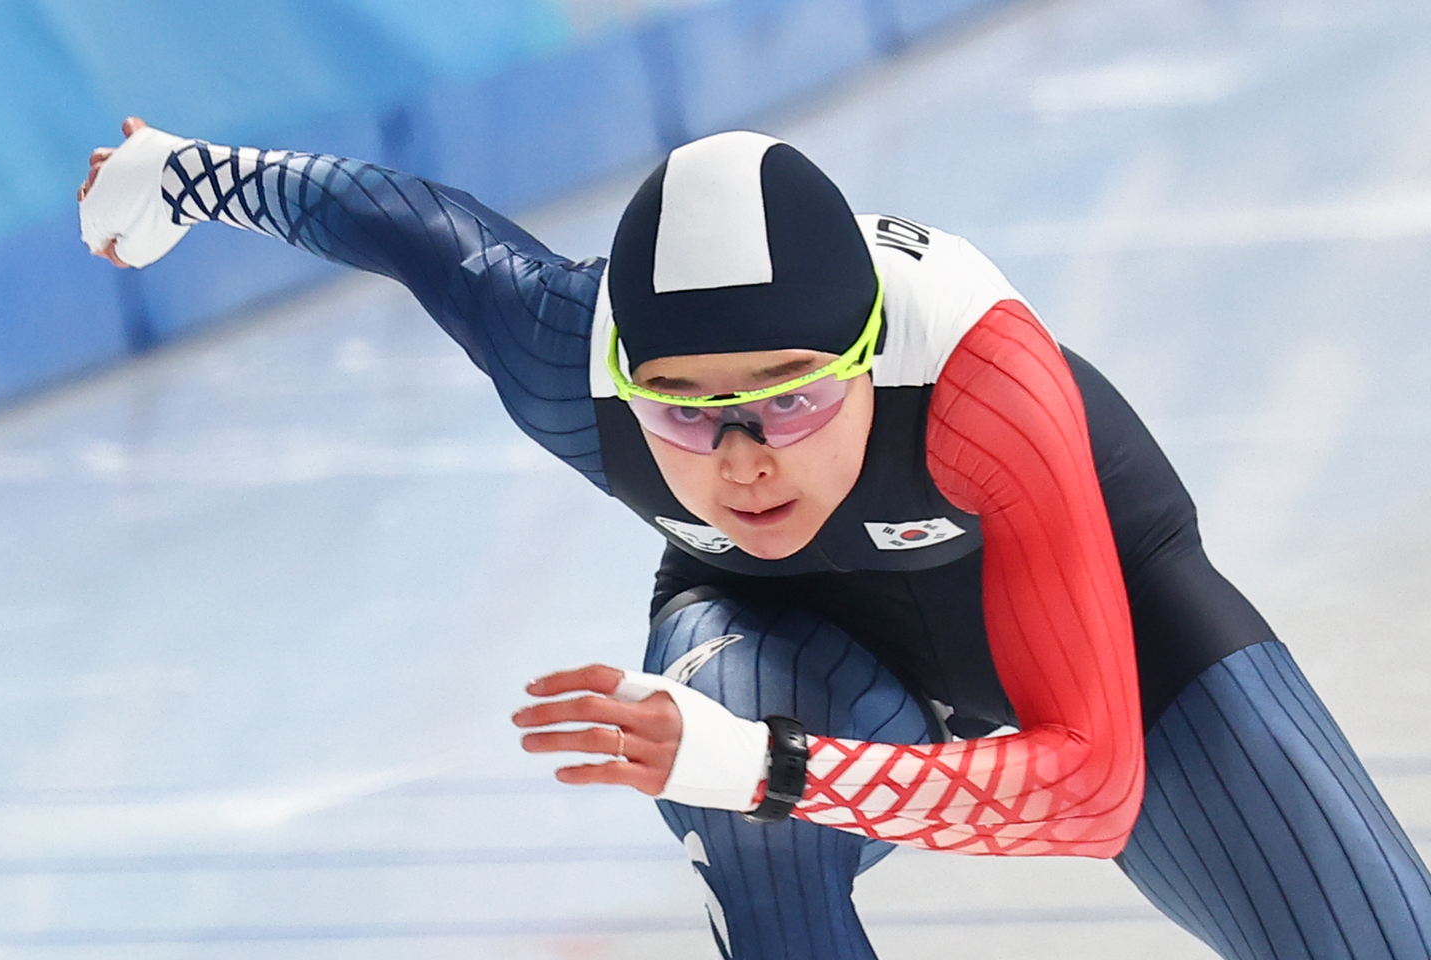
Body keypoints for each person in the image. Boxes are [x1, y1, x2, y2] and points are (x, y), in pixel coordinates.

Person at [79, 117, 1431, 960]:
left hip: (1091, 616)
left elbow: (1089, 793)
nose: (742, 458)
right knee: (747, 820)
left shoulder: (981, 386)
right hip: (787, 633)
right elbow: (393, 221)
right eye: (684, 409)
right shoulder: (565, 360)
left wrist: (764, 763)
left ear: (874, 356)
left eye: (792, 397)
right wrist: (176, 173)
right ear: (627, 377)